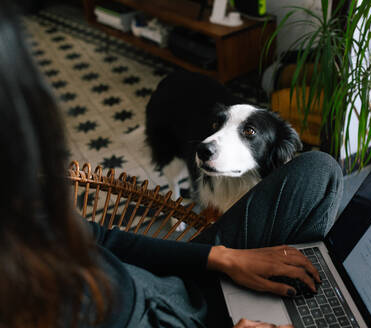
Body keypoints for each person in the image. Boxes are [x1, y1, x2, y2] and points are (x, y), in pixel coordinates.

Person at [0, 1, 343, 327]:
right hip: (187, 317)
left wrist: (221, 258)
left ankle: (300, 295)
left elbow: (102, 237)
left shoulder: (21, 208)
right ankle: (305, 305)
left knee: (321, 170)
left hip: (169, 280)